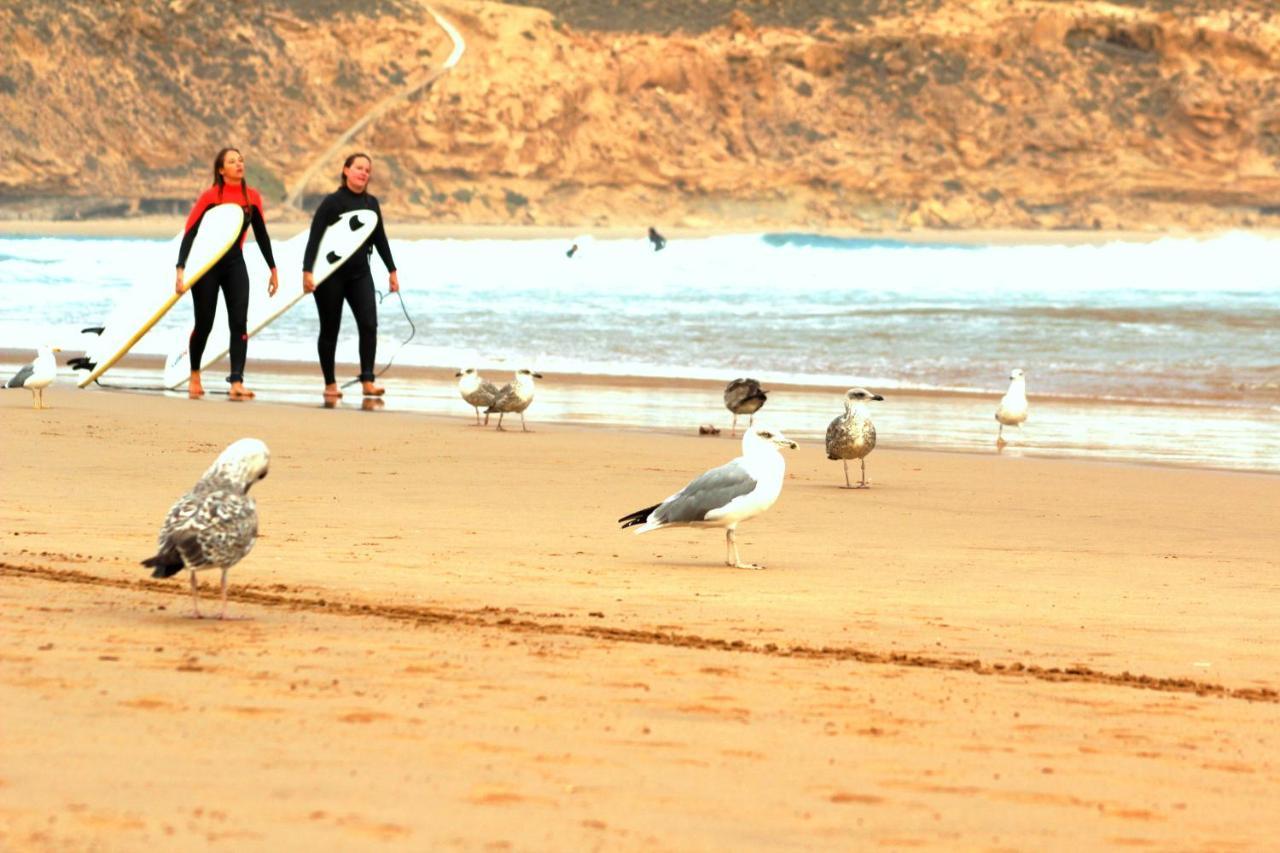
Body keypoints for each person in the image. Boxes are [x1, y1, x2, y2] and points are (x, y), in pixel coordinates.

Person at [175, 147, 279, 400]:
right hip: (207, 266)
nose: (239, 164)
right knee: (205, 323)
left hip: (235, 263)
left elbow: (262, 234)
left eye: (241, 160)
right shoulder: (211, 196)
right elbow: (190, 232)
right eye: (232, 161)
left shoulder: (252, 196)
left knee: (239, 322)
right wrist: (181, 269)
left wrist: (273, 269)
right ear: (221, 170)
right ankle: (195, 374)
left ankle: (236, 381)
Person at [302, 152, 399, 400]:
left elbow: (379, 238)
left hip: (359, 274)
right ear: (346, 170)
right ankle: (330, 383)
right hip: (330, 275)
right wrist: (307, 270)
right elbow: (315, 237)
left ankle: (368, 379)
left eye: (367, 169)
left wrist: (392, 270)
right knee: (330, 328)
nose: (363, 172)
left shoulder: (371, 203)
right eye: (358, 168)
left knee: (369, 324)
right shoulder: (332, 202)